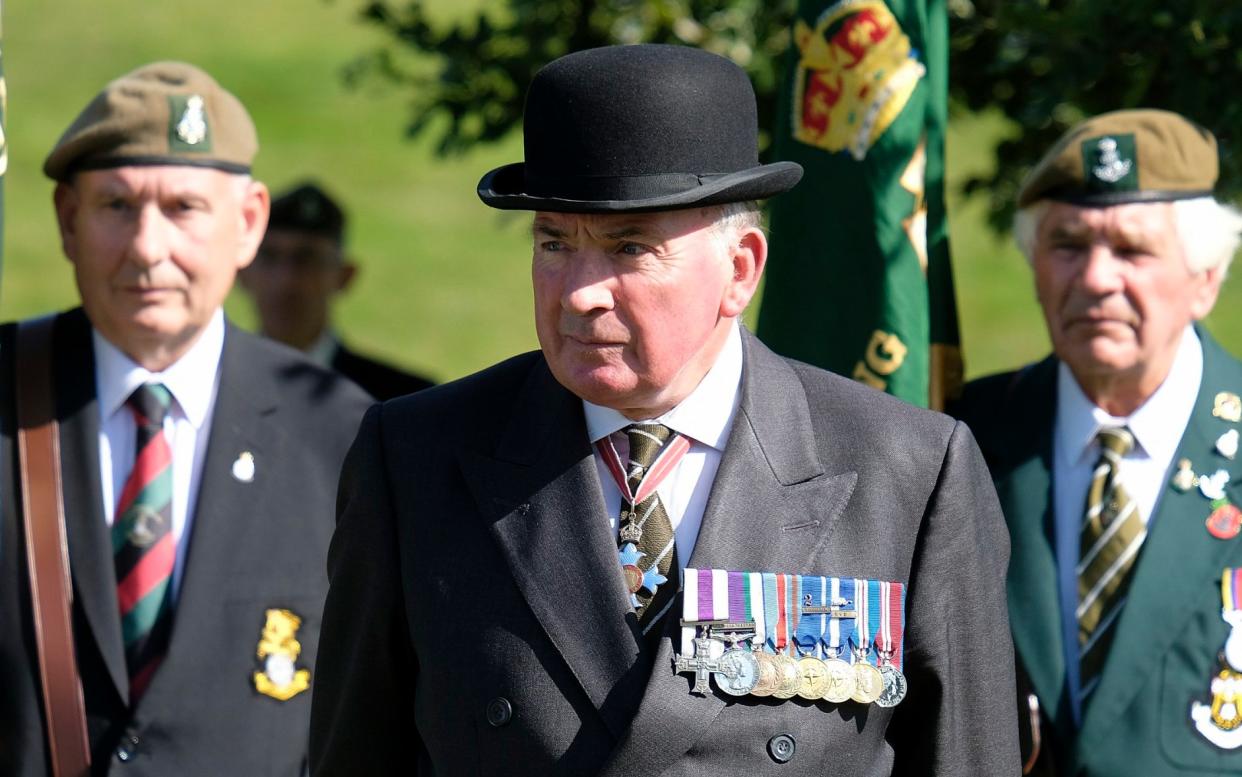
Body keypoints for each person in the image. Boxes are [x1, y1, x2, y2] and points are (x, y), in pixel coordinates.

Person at [310, 43, 1018, 776]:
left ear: (739, 269)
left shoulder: (905, 471)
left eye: (629, 247)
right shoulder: (418, 457)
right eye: (555, 241)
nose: (580, 291)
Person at [0, 62, 372, 775]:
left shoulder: (341, 434)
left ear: (249, 222)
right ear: (67, 221)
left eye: (183, 208)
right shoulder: (10, 394)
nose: (148, 247)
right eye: (115, 205)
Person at [954, 109, 1242, 775]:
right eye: (1068, 245)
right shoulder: (961, 438)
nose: (1095, 279)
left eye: (1133, 250)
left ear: (1206, 279)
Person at [240, 181, 434, 400]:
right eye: (269, 257)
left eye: (306, 259)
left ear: (344, 277)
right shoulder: (207, 386)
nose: (287, 280)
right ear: (241, 272)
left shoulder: (403, 399)